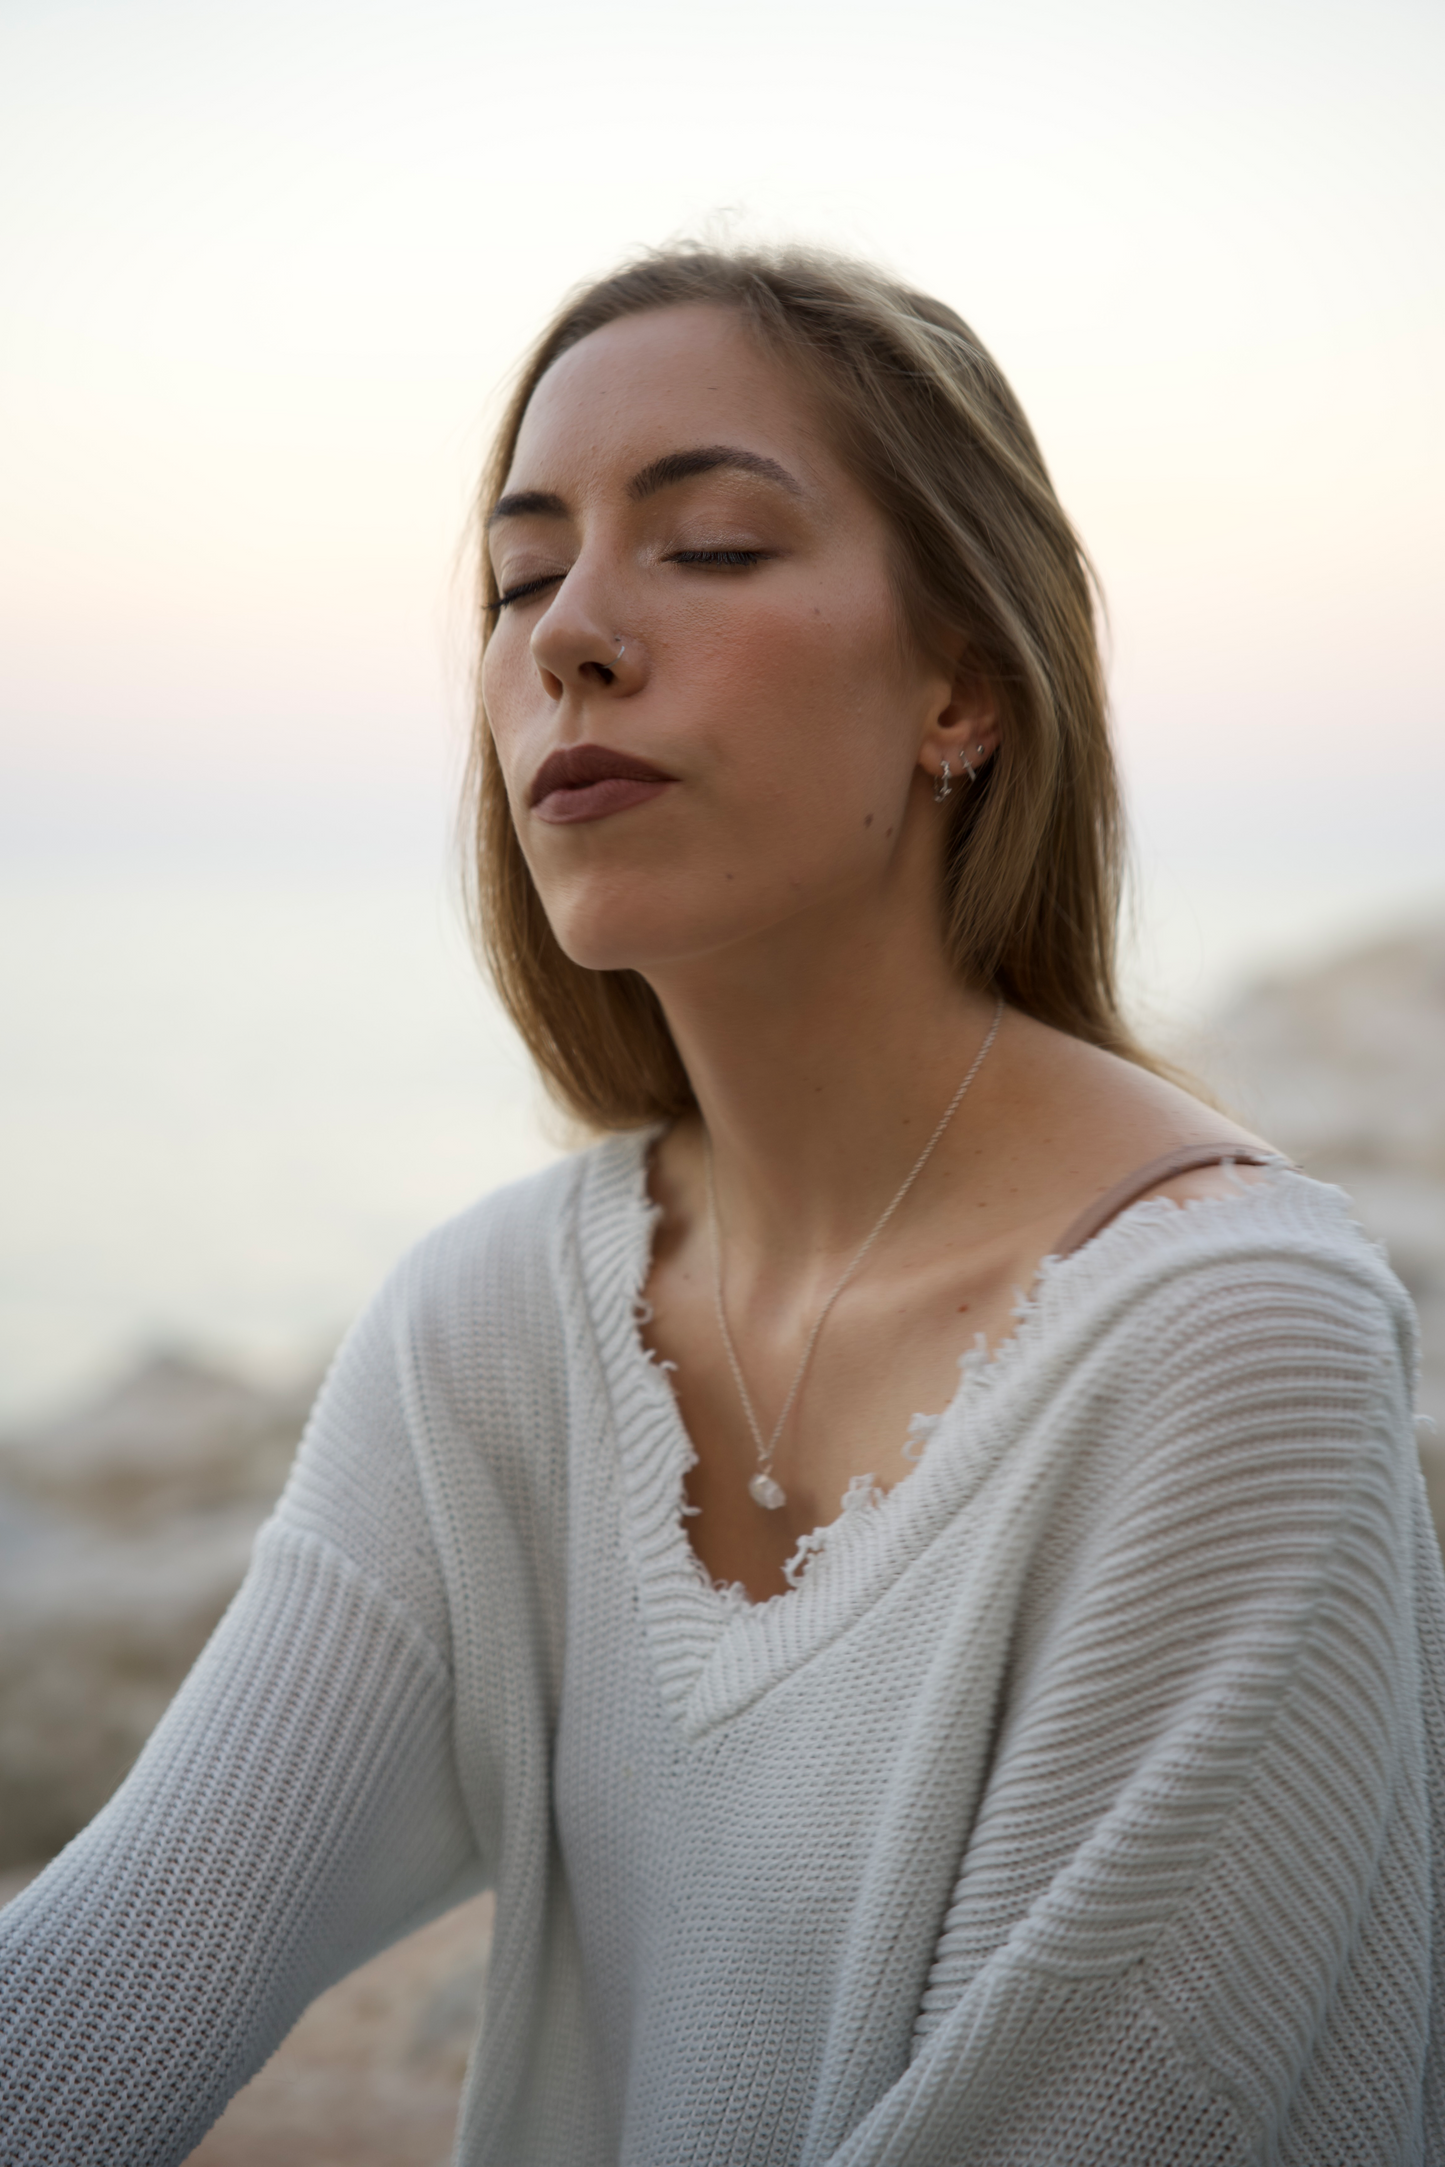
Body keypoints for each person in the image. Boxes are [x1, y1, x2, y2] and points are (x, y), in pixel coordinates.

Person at [3, 245, 1441, 2166]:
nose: (566, 638)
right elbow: (110, 1986)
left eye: (711, 547)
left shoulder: (1233, 1346)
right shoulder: (489, 1327)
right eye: (522, 578)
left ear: (966, 688)